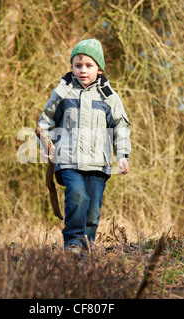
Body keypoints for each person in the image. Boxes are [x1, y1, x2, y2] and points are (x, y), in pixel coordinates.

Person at [37, 38, 131, 255]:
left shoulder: (109, 97)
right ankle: (72, 243)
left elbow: (121, 126)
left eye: (89, 66)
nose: (83, 70)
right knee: (77, 196)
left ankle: (85, 249)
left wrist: (122, 155)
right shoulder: (62, 93)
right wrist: (46, 145)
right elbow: (45, 122)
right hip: (68, 160)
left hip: (99, 163)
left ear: (99, 69)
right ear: (71, 67)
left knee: (92, 211)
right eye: (78, 65)